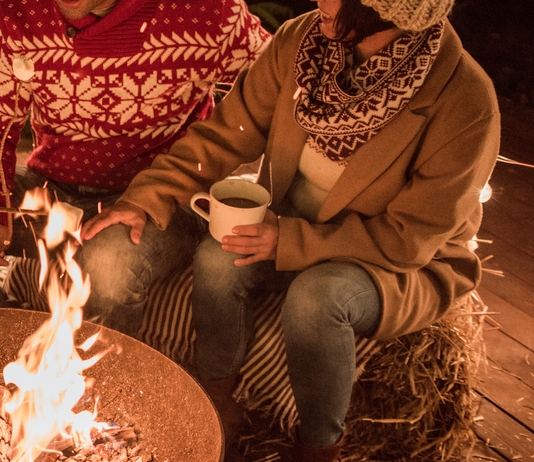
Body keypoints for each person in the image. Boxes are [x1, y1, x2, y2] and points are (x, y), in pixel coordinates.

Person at [88, 0, 498, 459]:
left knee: (317, 299)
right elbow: (224, 135)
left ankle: (317, 447)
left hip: (390, 256)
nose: (318, 0)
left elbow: (411, 237)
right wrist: (146, 198)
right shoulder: (302, 43)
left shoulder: (464, 99)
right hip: (289, 217)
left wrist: (288, 241)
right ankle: (215, 399)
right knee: (217, 256)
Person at [0, 0, 270, 334]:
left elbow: (280, 86)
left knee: (109, 264)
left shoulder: (205, 12)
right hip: (55, 194)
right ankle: (11, 337)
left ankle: (104, 384)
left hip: (160, 202)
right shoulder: (23, 13)